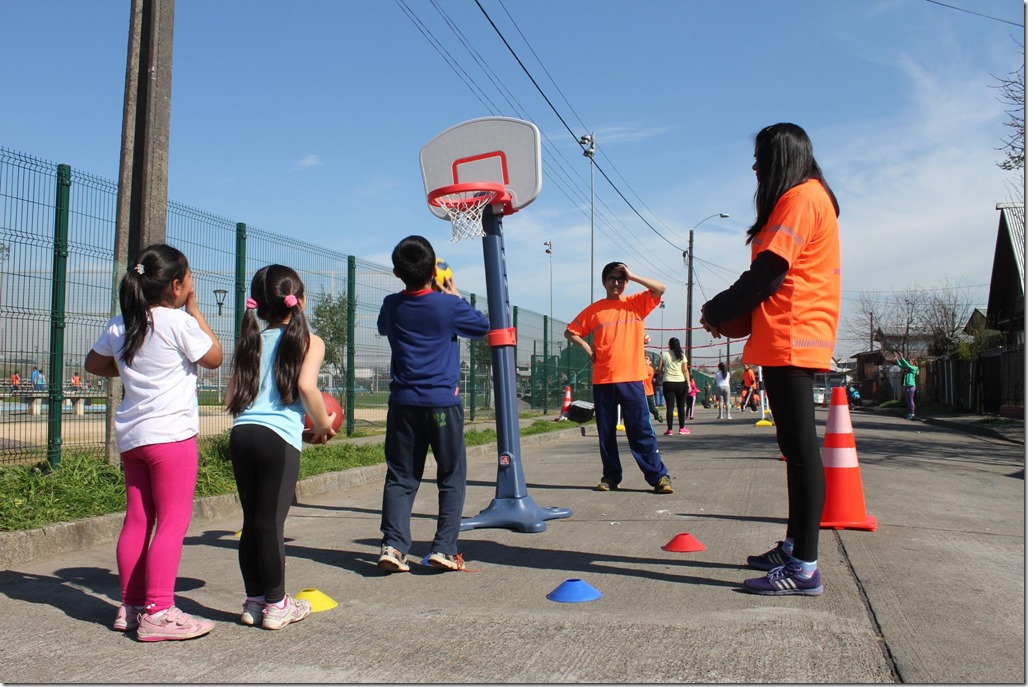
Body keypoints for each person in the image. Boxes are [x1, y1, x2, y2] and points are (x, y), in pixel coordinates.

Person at [701, 122, 841, 597]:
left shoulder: (801, 197)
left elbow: (768, 273)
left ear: (783, 155)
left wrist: (717, 309)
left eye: (761, 155)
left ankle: (805, 567)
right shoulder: (803, 197)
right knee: (795, 451)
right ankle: (795, 545)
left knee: (801, 453)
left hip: (794, 336)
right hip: (789, 336)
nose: (755, 165)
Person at [84, 243, 223, 639]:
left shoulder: (121, 323)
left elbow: (94, 365)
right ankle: (159, 611)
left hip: (133, 437)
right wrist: (195, 310)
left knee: (138, 520)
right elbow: (214, 356)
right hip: (171, 437)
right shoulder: (178, 322)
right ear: (176, 285)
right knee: (172, 522)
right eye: (189, 279)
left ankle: (129, 607)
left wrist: (131, 366)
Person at [225, 265, 337, 630]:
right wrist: (323, 426)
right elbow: (307, 388)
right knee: (271, 524)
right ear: (299, 301)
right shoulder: (310, 340)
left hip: (242, 435)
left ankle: (254, 601)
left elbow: (230, 397)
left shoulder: (249, 340)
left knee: (252, 522)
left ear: (257, 307)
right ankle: (277, 606)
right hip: (278, 439)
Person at [376, 235, 489, 573]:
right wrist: (453, 295)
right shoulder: (449, 306)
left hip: (403, 404)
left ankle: (393, 546)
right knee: (451, 475)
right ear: (433, 271)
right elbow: (482, 326)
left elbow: (383, 327)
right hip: (442, 403)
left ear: (397, 272)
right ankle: (444, 547)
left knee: (400, 476)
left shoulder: (391, 305)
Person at [565, 261, 673, 494]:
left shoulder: (636, 303)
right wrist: (588, 348)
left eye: (620, 279)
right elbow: (570, 332)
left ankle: (659, 477)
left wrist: (632, 275)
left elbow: (660, 289)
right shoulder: (594, 310)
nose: (616, 283)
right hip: (603, 380)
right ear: (603, 282)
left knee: (641, 429)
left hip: (633, 379)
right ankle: (611, 477)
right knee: (606, 432)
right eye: (612, 278)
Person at [658, 337, 691, 436]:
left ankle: (670, 430)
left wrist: (665, 373)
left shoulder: (664, 354)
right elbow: (685, 370)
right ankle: (682, 428)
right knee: (681, 406)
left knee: (670, 407)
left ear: (669, 345)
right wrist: (688, 383)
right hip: (680, 382)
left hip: (668, 382)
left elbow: (659, 369)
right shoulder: (682, 355)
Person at [643, 353, 664, 423]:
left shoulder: (650, 369)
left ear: (650, 362)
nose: (644, 360)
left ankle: (657, 415)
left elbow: (643, 376)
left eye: (647, 359)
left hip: (648, 392)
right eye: (644, 358)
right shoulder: (639, 368)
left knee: (652, 408)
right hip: (640, 392)